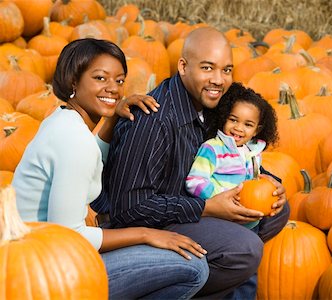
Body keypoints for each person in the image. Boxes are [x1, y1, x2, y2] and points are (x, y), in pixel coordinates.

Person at [92, 27, 290, 299]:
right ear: (183, 66)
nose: (219, 80)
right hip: (148, 227)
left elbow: (230, 151)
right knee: (244, 249)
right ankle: (179, 283)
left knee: (275, 211)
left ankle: (232, 277)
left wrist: (268, 182)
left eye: (226, 70)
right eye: (208, 68)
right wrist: (208, 208)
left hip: (189, 203)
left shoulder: (212, 107)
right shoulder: (154, 121)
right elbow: (130, 208)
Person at [12, 38, 209, 299]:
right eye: (100, 78)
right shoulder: (74, 140)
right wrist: (146, 234)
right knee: (193, 267)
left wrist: (111, 118)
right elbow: (71, 235)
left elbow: (90, 161)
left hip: (30, 258)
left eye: (119, 80)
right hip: (46, 274)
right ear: (73, 81)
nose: (113, 89)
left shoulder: (61, 120)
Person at [186, 82, 279, 231]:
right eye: (233, 120)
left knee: (282, 212)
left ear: (256, 130)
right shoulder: (212, 149)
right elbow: (194, 182)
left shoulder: (253, 153)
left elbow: (254, 185)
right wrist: (223, 196)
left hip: (249, 220)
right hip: (221, 218)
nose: (238, 128)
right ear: (224, 118)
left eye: (248, 124)